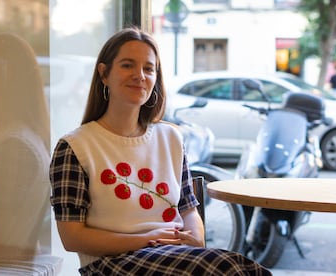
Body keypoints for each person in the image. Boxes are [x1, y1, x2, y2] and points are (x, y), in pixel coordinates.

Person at [49, 27, 272, 276]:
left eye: (148, 68)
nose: (139, 75)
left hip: (176, 256)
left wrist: (196, 239)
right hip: (110, 264)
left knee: (242, 268)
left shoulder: (171, 138)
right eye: (127, 65)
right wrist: (148, 238)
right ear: (104, 74)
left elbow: (188, 208)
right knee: (227, 268)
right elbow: (72, 237)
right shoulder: (76, 147)